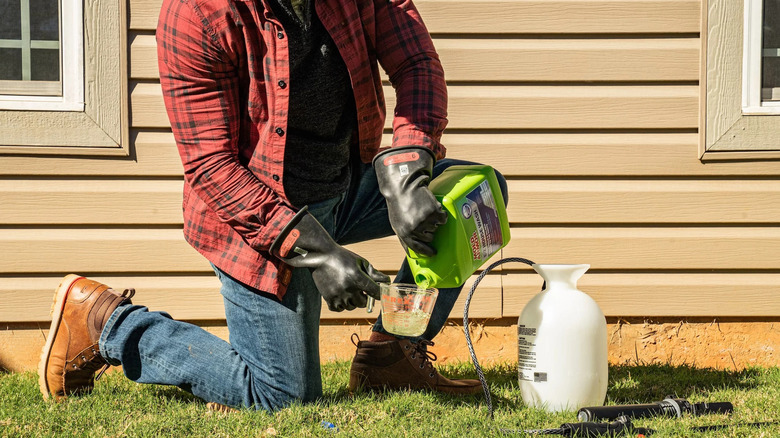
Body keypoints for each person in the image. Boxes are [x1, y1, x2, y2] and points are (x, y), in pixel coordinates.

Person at [38, 0, 508, 411]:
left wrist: (408, 169)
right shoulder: (198, 12)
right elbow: (211, 168)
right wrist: (319, 252)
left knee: (475, 197)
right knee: (282, 396)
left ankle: (393, 354)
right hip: (258, 214)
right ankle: (107, 323)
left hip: (344, 182)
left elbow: (417, 63)